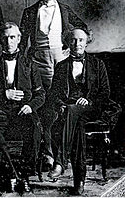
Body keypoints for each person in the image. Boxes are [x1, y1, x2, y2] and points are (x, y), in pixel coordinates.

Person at [20, 0, 88, 169]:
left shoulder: (64, 9)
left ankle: (57, 155)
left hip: (59, 59)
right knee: (40, 105)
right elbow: (23, 41)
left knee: (56, 106)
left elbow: (82, 28)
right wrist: (25, 63)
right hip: (37, 60)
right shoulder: (30, 11)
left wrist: (68, 45)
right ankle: (43, 155)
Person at [47, 27, 110, 195]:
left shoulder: (97, 64)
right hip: (70, 111)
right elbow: (53, 94)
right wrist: (61, 105)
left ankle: (60, 161)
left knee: (72, 112)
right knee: (77, 128)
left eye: (81, 40)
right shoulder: (61, 66)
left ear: (86, 42)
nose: (77, 43)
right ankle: (79, 181)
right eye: (73, 40)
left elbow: (105, 93)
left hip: (91, 108)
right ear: (68, 42)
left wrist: (89, 100)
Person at [0, 22, 45, 194]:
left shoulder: (30, 64)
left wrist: (30, 106)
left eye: (12, 37)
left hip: (23, 111)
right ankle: (10, 174)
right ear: (0, 40)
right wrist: (3, 95)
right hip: (2, 111)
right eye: (5, 38)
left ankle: (24, 174)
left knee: (35, 128)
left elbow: (41, 94)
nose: (9, 41)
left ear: (19, 39)